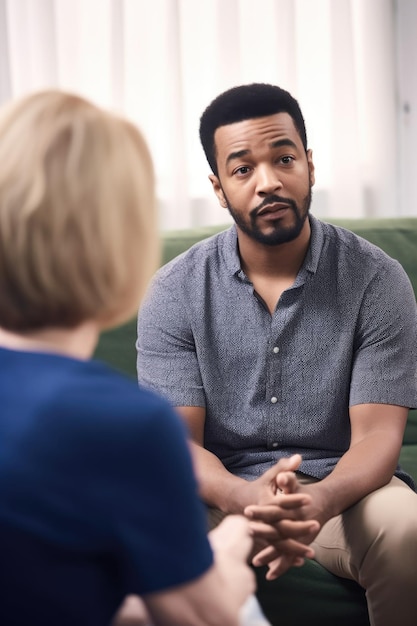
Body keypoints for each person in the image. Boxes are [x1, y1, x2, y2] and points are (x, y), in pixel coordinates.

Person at [0, 88, 311, 626]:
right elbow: (206, 614)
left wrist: (240, 522)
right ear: (120, 240)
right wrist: (234, 557)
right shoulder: (123, 425)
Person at [136, 83, 417, 626]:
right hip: (216, 491)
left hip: (345, 490)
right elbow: (180, 445)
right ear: (219, 188)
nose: (269, 182)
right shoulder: (174, 290)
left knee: (408, 534)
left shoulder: (377, 278)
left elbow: (379, 437)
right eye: (243, 170)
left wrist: (318, 501)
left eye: (284, 158)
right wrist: (245, 498)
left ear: (309, 165)